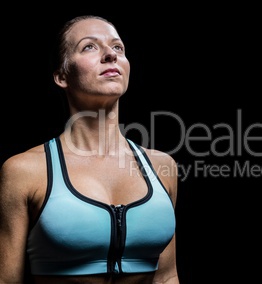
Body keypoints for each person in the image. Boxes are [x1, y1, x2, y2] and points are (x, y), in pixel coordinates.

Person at [0, 15, 180, 284]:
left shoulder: (161, 167)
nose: (110, 55)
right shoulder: (25, 170)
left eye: (118, 47)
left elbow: (166, 276)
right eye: (89, 47)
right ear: (62, 76)